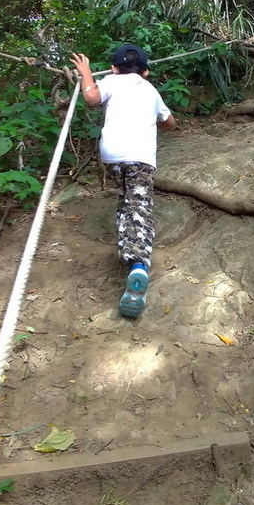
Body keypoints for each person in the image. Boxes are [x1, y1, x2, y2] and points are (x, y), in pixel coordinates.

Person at [71, 45, 176, 319]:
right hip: (140, 157)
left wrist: (86, 73)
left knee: (126, 198)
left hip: (113, 157)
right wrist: (157, 119)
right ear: (146, 71)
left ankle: (127, 248)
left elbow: (92, 97)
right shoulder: (150, 90)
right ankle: (139, 264)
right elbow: (170, 123)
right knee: (140, 206)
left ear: (114, 67)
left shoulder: (110, 81)